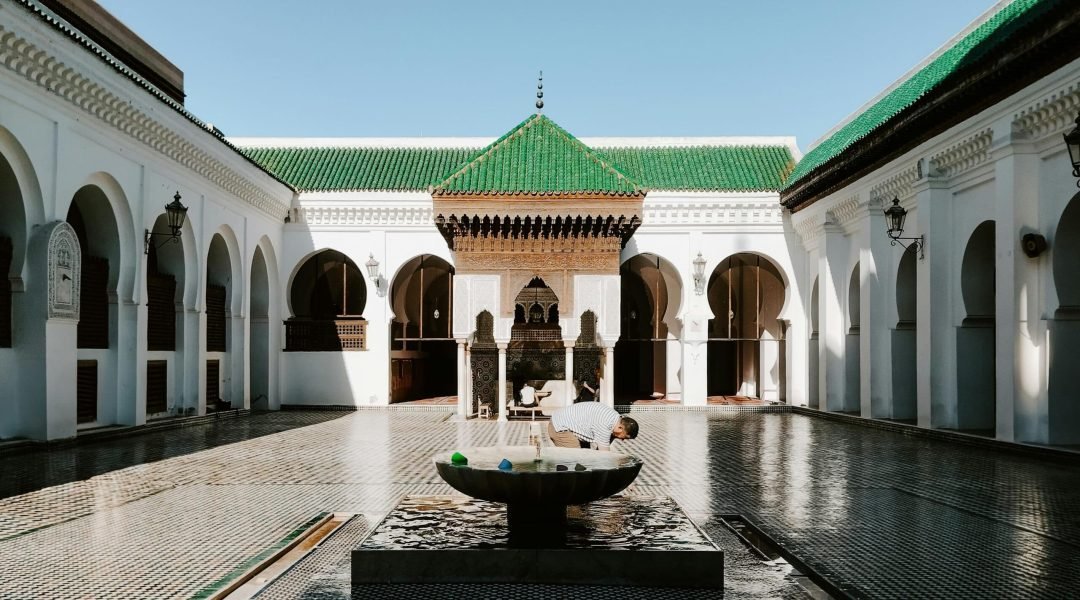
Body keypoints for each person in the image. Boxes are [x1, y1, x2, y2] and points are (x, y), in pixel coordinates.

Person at [548, 401, 638, 451]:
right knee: (576, 460)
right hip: (560, 427)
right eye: (624, 437)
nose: (622, 440)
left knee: (586, 458)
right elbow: (604, 456)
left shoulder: (615, 419)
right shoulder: (606, 424)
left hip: (566, 423)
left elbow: (601, 449)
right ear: (620, 428)